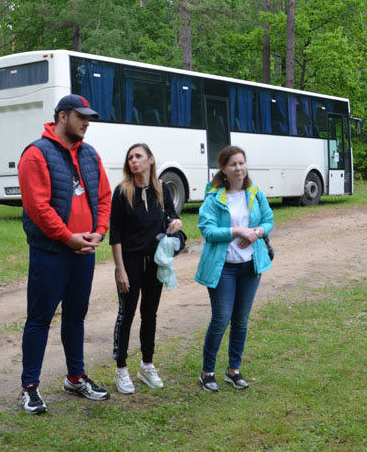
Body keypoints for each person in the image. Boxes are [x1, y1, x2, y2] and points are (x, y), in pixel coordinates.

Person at [17, 94, 112, 414]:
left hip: (84, 251)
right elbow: (38, 207)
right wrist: (67, 238)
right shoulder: (36, 154)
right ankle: (29, 387)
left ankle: (75, 377)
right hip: (51, 252)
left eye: (88, 118)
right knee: (39, 319)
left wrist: (99, 231)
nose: (86, 123)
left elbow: (104, 196)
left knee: (75, 316)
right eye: (80, 116)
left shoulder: (90, 154)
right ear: (62, 116)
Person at [195, 145, 273, 392]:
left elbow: (268, 221)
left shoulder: (255, 193)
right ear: (223, 170)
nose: (239, 168)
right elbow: (207, 231)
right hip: (223, 268)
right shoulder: (213, 197)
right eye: (233, 164)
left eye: (242, 163)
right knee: (221, 319)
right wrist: (237, 231)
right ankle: (207, 372)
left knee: (240, 320)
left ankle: (233, 370)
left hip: (250, 267)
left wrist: (256, 232)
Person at [109, 143, 182, 394]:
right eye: (130, 157)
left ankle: (147, 366)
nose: (133, 161)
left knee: (150, 314)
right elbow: (115, 234)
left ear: (151, 160)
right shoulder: (122, 192)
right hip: (129, 262)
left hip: (155, 263)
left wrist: (176, 223)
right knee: (126, 314)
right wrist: (120, 269)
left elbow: (171, 217)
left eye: (138, 156)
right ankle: (121, 369)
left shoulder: (161, 190)